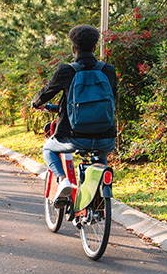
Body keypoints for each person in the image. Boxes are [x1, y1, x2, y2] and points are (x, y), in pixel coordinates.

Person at [31, 24, 117, 204]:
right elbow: (112, 101)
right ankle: (100, 194)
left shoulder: (66, 71)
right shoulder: (108, 70)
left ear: (73, 48)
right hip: (106, 137)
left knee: (47, 149)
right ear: (95, 48)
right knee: (101, 158)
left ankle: (63, 181)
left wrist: (36, 103)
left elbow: (46, 92)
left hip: (73, 137)